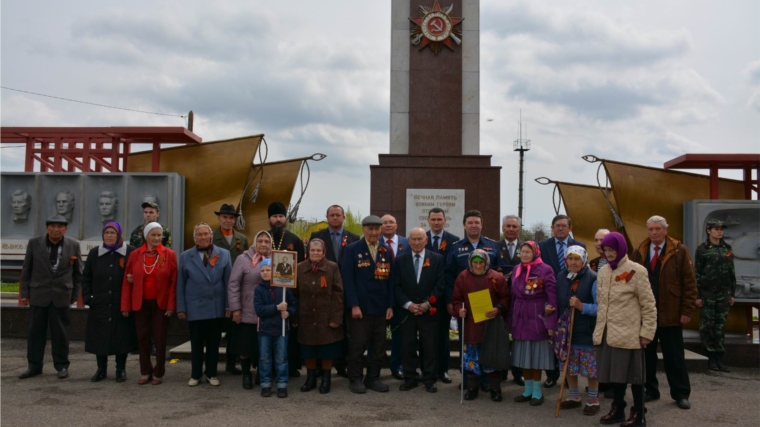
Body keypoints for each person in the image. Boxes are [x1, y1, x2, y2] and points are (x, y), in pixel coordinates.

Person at [630, 215, 697, 410]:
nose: (654, 232)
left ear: (665, 230)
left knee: (674, 356)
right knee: (647, 356)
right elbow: (630, 277)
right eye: (650, 229)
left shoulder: (679, 251)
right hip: (646, 314)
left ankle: (681, 393)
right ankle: (650, 390)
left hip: (671, 313)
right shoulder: (640, 250)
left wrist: (686, 310)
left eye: (658, 229)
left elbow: (690, 283)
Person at [595, 232, 656, 427]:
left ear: (621, 248)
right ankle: (618, 408)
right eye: (606, 250)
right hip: (607, 332)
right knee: (616, 375)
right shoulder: (603, 271)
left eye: (612, 249)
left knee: (635, 376)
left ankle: (639, 413)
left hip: (629, 334)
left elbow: (648, 304)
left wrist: (647, 332)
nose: (609, 253)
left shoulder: (636, 271)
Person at [445, 210, 504, 391]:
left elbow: (500, 271)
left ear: (481, 224)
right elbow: (448, 277)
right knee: (468, 345)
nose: (473, 225)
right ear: (464, 225)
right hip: (467, 310)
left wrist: (498, 306)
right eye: (470, 222)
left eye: (477, 222)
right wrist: (452, 305)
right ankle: (469, 381)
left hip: (488, 309)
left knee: (488, 344)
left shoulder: (493, 246)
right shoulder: (455, 247)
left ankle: (487, 381)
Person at [19, 214, 82, 380]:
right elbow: (27, 270)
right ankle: (34, 366)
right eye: (53, 226)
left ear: (65, 229)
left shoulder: (73, 245)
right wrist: (25, 293)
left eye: (60, 226)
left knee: (60, 334)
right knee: (35, 333)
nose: (56, 229)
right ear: (47, 228)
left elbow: (78, 274)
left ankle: (61, 366)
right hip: (38, 295)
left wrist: (74, 295)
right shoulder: (34, 243)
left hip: (62, 296)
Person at [341, 215, 394, 394]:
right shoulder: (352, 249)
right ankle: (355, 379)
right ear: (363, 229)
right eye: (370, 229)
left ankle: (373, 378)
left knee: (378, 347)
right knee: (357, 345)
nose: (373, 232)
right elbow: (347, 280)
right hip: (360, 309)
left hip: (380, 308)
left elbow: (391, 281)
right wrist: (353, 305)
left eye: (376, 229)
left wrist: (390, 305)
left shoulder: (386, 250)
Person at [121, 222, 177, 385]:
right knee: (142, 337)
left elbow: (173, 281)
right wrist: (125, 305)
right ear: (146, 236)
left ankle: (159, 372)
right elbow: (127, 280)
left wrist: (171, 305)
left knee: (160, 338)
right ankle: (145, 371)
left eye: (159, 235)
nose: (157, 238)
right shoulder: (136, 254)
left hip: (161, 304)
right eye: (153, 235)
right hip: (140, 303)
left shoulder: (169, 254)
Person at [177, 223, 232, 387]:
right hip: (194, 306)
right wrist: (181, 308)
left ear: (211, 236)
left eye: (205, 234)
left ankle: (211, 373)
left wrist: (229, 305)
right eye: (199, 235)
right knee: (196, 343)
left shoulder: (224, 254)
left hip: (216, 306)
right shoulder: (186, 256)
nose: (202, 237)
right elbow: (180, 284)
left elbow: (229, 282)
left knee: (214, 343)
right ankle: (195, 374)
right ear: (195, 238)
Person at [451, 249, 510, 401]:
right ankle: (472, 388)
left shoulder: (496, 278)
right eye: (475, 262)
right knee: (472, 358)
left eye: (481, 262)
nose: (477, 265)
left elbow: (505, 298)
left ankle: (495, 389)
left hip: (491, 324)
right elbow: (456, 299)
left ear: (486, 262)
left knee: (493, 356)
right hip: (471, 323)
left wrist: (498, 309)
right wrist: (459, 310)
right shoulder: (463, 277)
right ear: (470, 262)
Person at [309, 204, 359, 378]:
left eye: (338, 215)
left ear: (344, 217)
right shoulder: (317, 236)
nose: (335, 218)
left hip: (346, 288)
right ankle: (320, 365)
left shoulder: (353, 237)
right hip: (323, 288)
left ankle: (341, 364)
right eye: (332, 215)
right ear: (327, 217)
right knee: (324, 326)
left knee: (344, 327)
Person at [82, 222, 136, 383]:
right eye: (106, 233)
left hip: (121, 302)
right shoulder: (94, 253)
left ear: (119, 235)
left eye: (113, 233)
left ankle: (121, 369)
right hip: (100, 303)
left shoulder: (130, 252)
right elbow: (86, 277)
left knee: (121, 336)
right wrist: (88, 298)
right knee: (100, 336)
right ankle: (101, 369)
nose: (109, 236)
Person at [394, 228, 445, 393]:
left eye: (420, 239)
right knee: (407, 345)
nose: (416, 242)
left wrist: (427, 304)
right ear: (408, 241)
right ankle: (410, 378)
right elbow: (396, 286)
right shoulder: (400, 260)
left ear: (426, 240)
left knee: (429, 346)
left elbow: (440, 285)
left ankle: (429, 379)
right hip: (407, 312)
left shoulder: (437, 259)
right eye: (413, 239)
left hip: (429, 311)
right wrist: (408, 304)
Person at [537, 214, 586, 388]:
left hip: (571, 296)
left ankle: (567, 374)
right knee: (551, 335)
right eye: (557, 225)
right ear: (552, 228)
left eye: (564, 226)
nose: (560, 228)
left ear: (570, 228)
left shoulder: (580, 246)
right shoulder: (542, 246)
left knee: (568, 338)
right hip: (550, 296)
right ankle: (552, 374)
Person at [511, 241, 557, 406]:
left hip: (537, 318)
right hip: (520, 318)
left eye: (527, 252)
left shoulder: (545, 269)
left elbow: (552, 297)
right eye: (522, 252)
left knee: (536, 358)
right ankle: (527, 390)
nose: (524, 255)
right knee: (524, 357)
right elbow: (513, 296)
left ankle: (537, 392)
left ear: (535, 252)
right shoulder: (517, 269)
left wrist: (551, 322)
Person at [554, 246, 600, 415]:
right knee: (569, 364)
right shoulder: (561, 276)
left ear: (584, 260)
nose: (573, 262)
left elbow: (600, 307)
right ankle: (574, 397)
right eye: (570, 259)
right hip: (566, 330)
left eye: (577, 259)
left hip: (586, 329)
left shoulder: (593, 278)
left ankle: (593, 400)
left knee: (591, 368)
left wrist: (582, 306)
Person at [296, 239, 344, 394]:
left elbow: (338, 293)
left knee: (327, 350)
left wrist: (336, 317)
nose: (315, 253)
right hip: (306, 316)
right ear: (307, 252)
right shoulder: (299, 268)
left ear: (323, 252)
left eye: (318, 251)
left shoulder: (332, 267)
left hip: (326, 316)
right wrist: (294, 317)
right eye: (312, 250)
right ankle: (310, 379)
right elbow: (293, 294)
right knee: (308, 349)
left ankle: (326, 379)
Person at [228, 230, 272, 390]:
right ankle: (246, 373)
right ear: (254, 243)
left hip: (267, 311)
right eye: (260, 240)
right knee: (245, 345)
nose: (263, 244)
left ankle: (262, 371)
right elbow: (233, 284)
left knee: (264, 345)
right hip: (247, 309)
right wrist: (235, 308)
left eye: (266, 241)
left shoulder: (276, 259)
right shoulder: (243, 259)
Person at [268, 201, 305, 378]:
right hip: (267, 293)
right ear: (269, 219)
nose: (278, 220)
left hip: (289, 292)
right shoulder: (263, 238)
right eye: (275, 216)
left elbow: (301, 267)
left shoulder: (294, 240)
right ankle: (269, 368)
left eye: (281, 216)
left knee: (288, 330)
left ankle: (290, 367)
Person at [212, 203, 249, 375]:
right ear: (219, 218)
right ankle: (211, 363)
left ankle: (231, 362)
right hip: (217, 287)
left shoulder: (242, 238)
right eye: (225, 217)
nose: (228, 220)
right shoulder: (211, 237)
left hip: (237, 288)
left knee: (234, 328)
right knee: (216, 327)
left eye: (231, 218)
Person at [694, 219, 736, 372]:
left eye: (721, 229)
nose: (719, 231)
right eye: (716, 229)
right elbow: (697, 273)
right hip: (708, 293)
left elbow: (732, 273)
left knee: (720, 326)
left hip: (724, 294)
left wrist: (732, 293)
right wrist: (698, 296)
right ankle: (710, 356)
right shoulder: (703, 249)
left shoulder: (727, 249)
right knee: (707, 326)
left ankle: (719, 357)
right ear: (709, 231)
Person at [425, 207, 460, 385]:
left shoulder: (454, 241)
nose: (436, 222)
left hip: (444, 295)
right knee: (426, 336)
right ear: (428, 220)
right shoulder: (421, 239)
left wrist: (449, 299)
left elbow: (452, 271)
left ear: (445, 220)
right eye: (434, 219)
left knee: (443, 337)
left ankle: (443, 370)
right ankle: (427, 370)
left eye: (440, 219)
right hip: (425, 297)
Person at [254, 258, 297, 398]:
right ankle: (266, 384)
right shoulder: (259, 289)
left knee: (281, 358)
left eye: (268, 270)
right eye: (262, 270)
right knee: (265, 358)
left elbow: (293, 305)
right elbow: (259, 310)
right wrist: (277, 308)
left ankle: (282, 384)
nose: (265, 273)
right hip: (264, 330)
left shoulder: (283, 288)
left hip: (281, 329)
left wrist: (289, 312)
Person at [380, 214, 410, 380]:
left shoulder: (407, 243)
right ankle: (376, 366)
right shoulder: (374, 242)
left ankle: (396, 366)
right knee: (377, 335)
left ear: (397, 225)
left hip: (400, 297)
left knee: (399, 335)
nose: (388, 225)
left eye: (391, 222)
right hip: (380, 296)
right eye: (385, 223)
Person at [496, 214, 525, 386]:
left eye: (514, 226)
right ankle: (500, 371)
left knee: (519, 337)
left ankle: (518, 371)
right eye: (508, 226)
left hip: (520, 299)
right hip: (499, 298)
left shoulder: (527, 247)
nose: (511, 229)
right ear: (503, 228)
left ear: (519, 229)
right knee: (500, 337)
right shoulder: (494, 246)